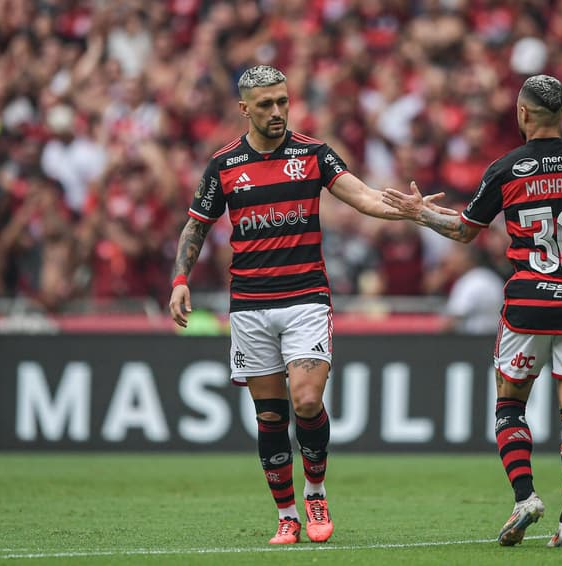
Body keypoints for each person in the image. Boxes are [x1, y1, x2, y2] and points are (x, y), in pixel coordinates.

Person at [167, 65, 451, 545]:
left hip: (305, 298)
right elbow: (196, 226)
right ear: (244, 109)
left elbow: (361, 195)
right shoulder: (224, 165)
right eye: (265, 105)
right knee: (272, 416)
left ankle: (315, 491)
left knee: (306, 400)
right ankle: (287, 516)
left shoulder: (313, 154)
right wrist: (180, 279)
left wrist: (409, 210)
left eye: (282, 101)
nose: (277, 111)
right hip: (251, 304)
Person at [382, 74, 562, 548]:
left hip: (528, 306)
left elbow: (465, 232)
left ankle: (526, 497)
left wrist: (418, 213)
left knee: (511, 404)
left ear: (523, 114)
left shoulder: (507, 168)